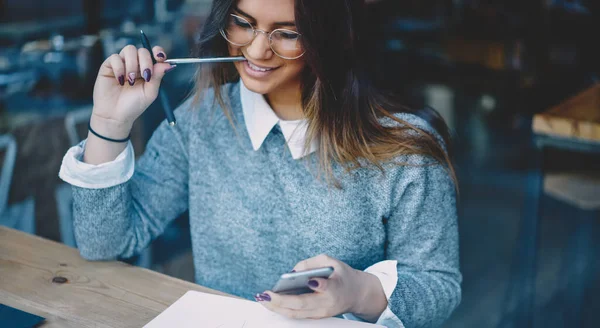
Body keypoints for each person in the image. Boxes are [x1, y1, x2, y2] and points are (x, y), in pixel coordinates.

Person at [58, 0, 461, 327]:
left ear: (331, 36)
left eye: (287, 33)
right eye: (242, 23)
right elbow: (104, 243)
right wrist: (109, 124)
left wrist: (359, 292)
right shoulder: (200, 122)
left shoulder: (406, 150)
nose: (255, 50)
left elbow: (438, 287)